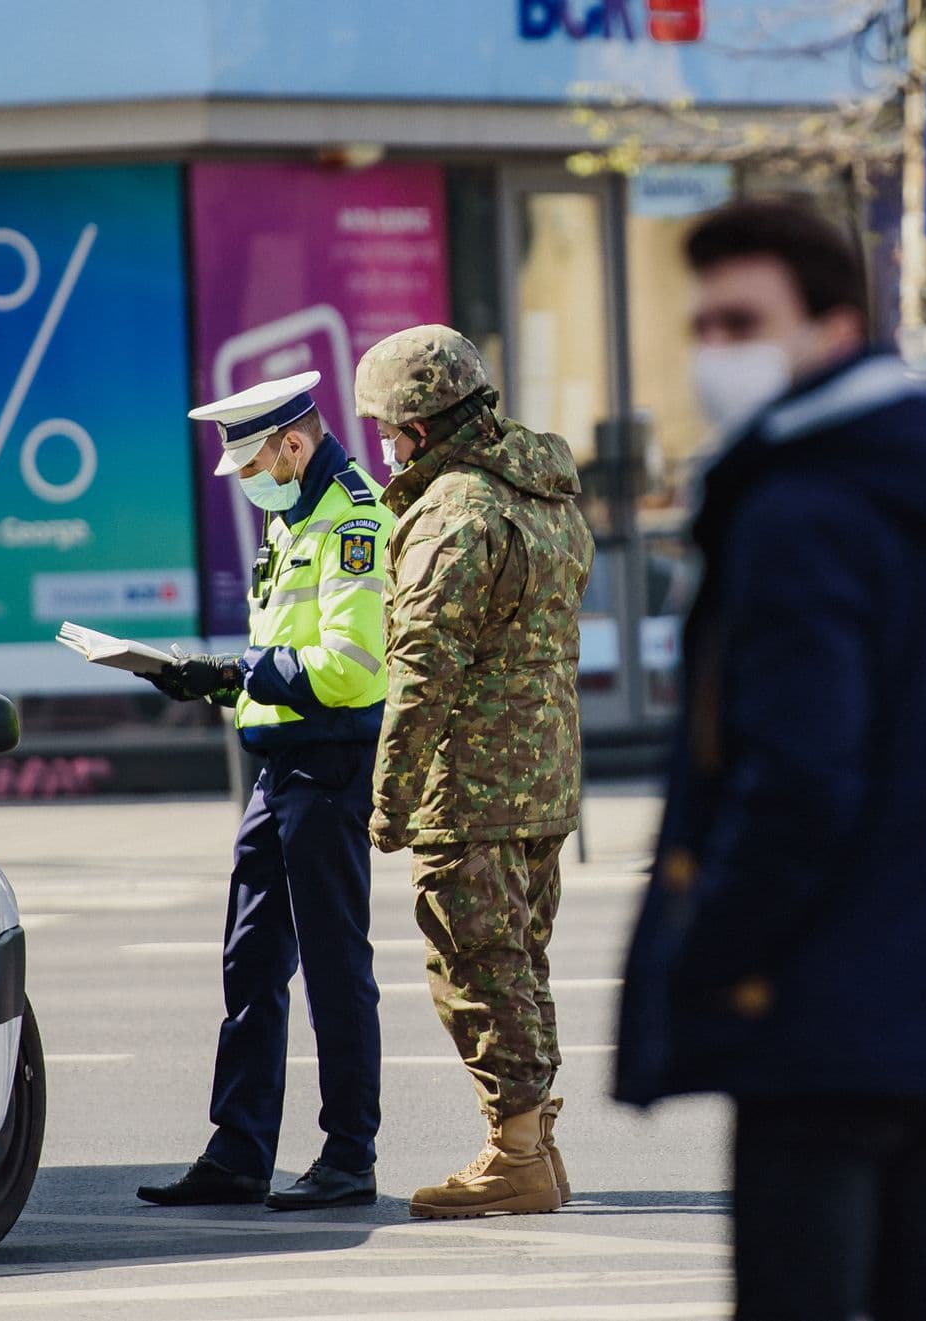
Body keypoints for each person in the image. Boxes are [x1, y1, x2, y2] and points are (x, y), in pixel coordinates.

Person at [614, 199, 926, 1319]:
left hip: (815, 1001)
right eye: (702, 325)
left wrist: (709, 953)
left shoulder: (801, 511)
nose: (715, 352)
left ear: (834, 328)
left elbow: (801, 776)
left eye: (742, 321)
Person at [353, 326, 593, 1219]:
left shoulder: (455, 511)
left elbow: (423, 667)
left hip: (473, 782)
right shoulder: (543, 492)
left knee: (476, 970)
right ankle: (536, 1143)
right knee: (518, 962)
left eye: (385, 427)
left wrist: (389, 801)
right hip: (543, 772)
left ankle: (517, 1150)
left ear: (419, 425)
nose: (381, 444)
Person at [136, 370, 391, 1211]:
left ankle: (349, 1152)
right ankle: (239, 1149)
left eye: (253, 462)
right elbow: (283, 662)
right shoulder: (292, 522)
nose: (248, 480)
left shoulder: (353, 518)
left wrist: (239, 669)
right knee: (251, 962)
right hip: (279, 767)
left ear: (294, 442)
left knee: (332, 964)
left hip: (329, 769)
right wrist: (204, 679)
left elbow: (350, 674)